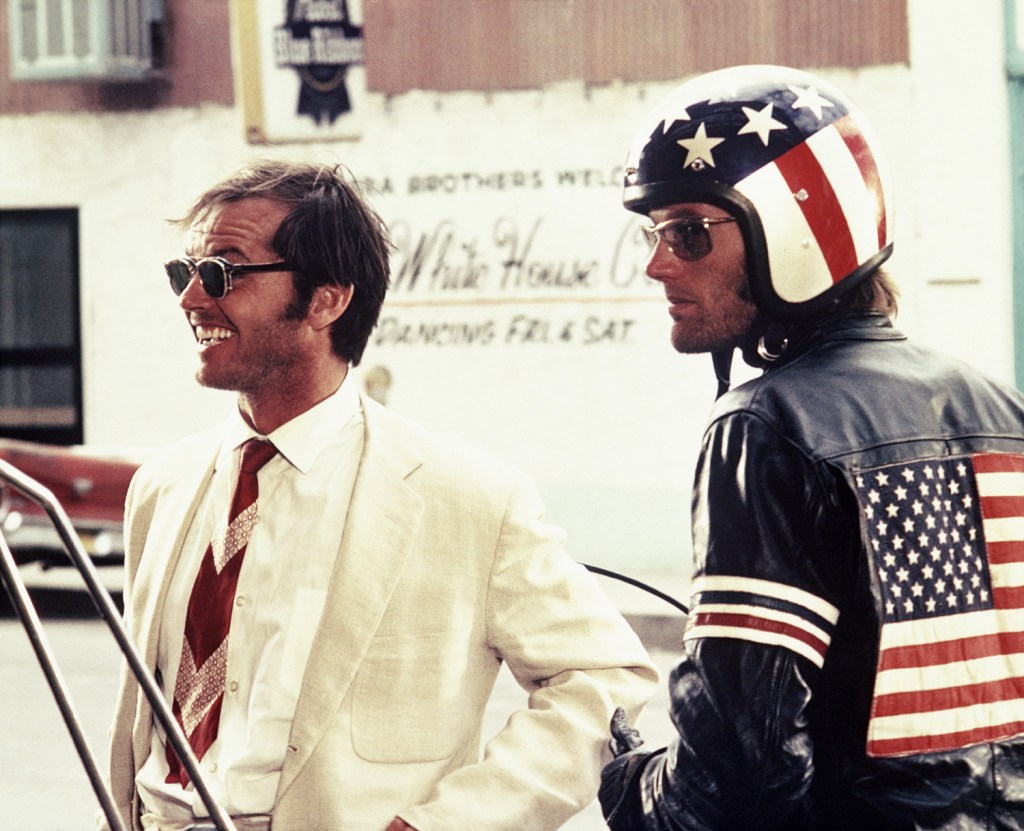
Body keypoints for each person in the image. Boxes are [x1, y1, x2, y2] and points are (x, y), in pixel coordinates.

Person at [103, 159, 658, 831]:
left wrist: (446, 823)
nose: (191, 298)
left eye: (221, 271)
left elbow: (605, 680)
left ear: (327, 300)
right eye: (182, 274)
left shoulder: (466, 497)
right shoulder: (162, 488)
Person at [597, 64, 1024, 829]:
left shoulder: (764, 425)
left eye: (689, 232)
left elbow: (741, 770)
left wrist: (636, 788)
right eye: (654, 232)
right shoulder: (1002, 407)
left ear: (792, 232)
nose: (658, 263)